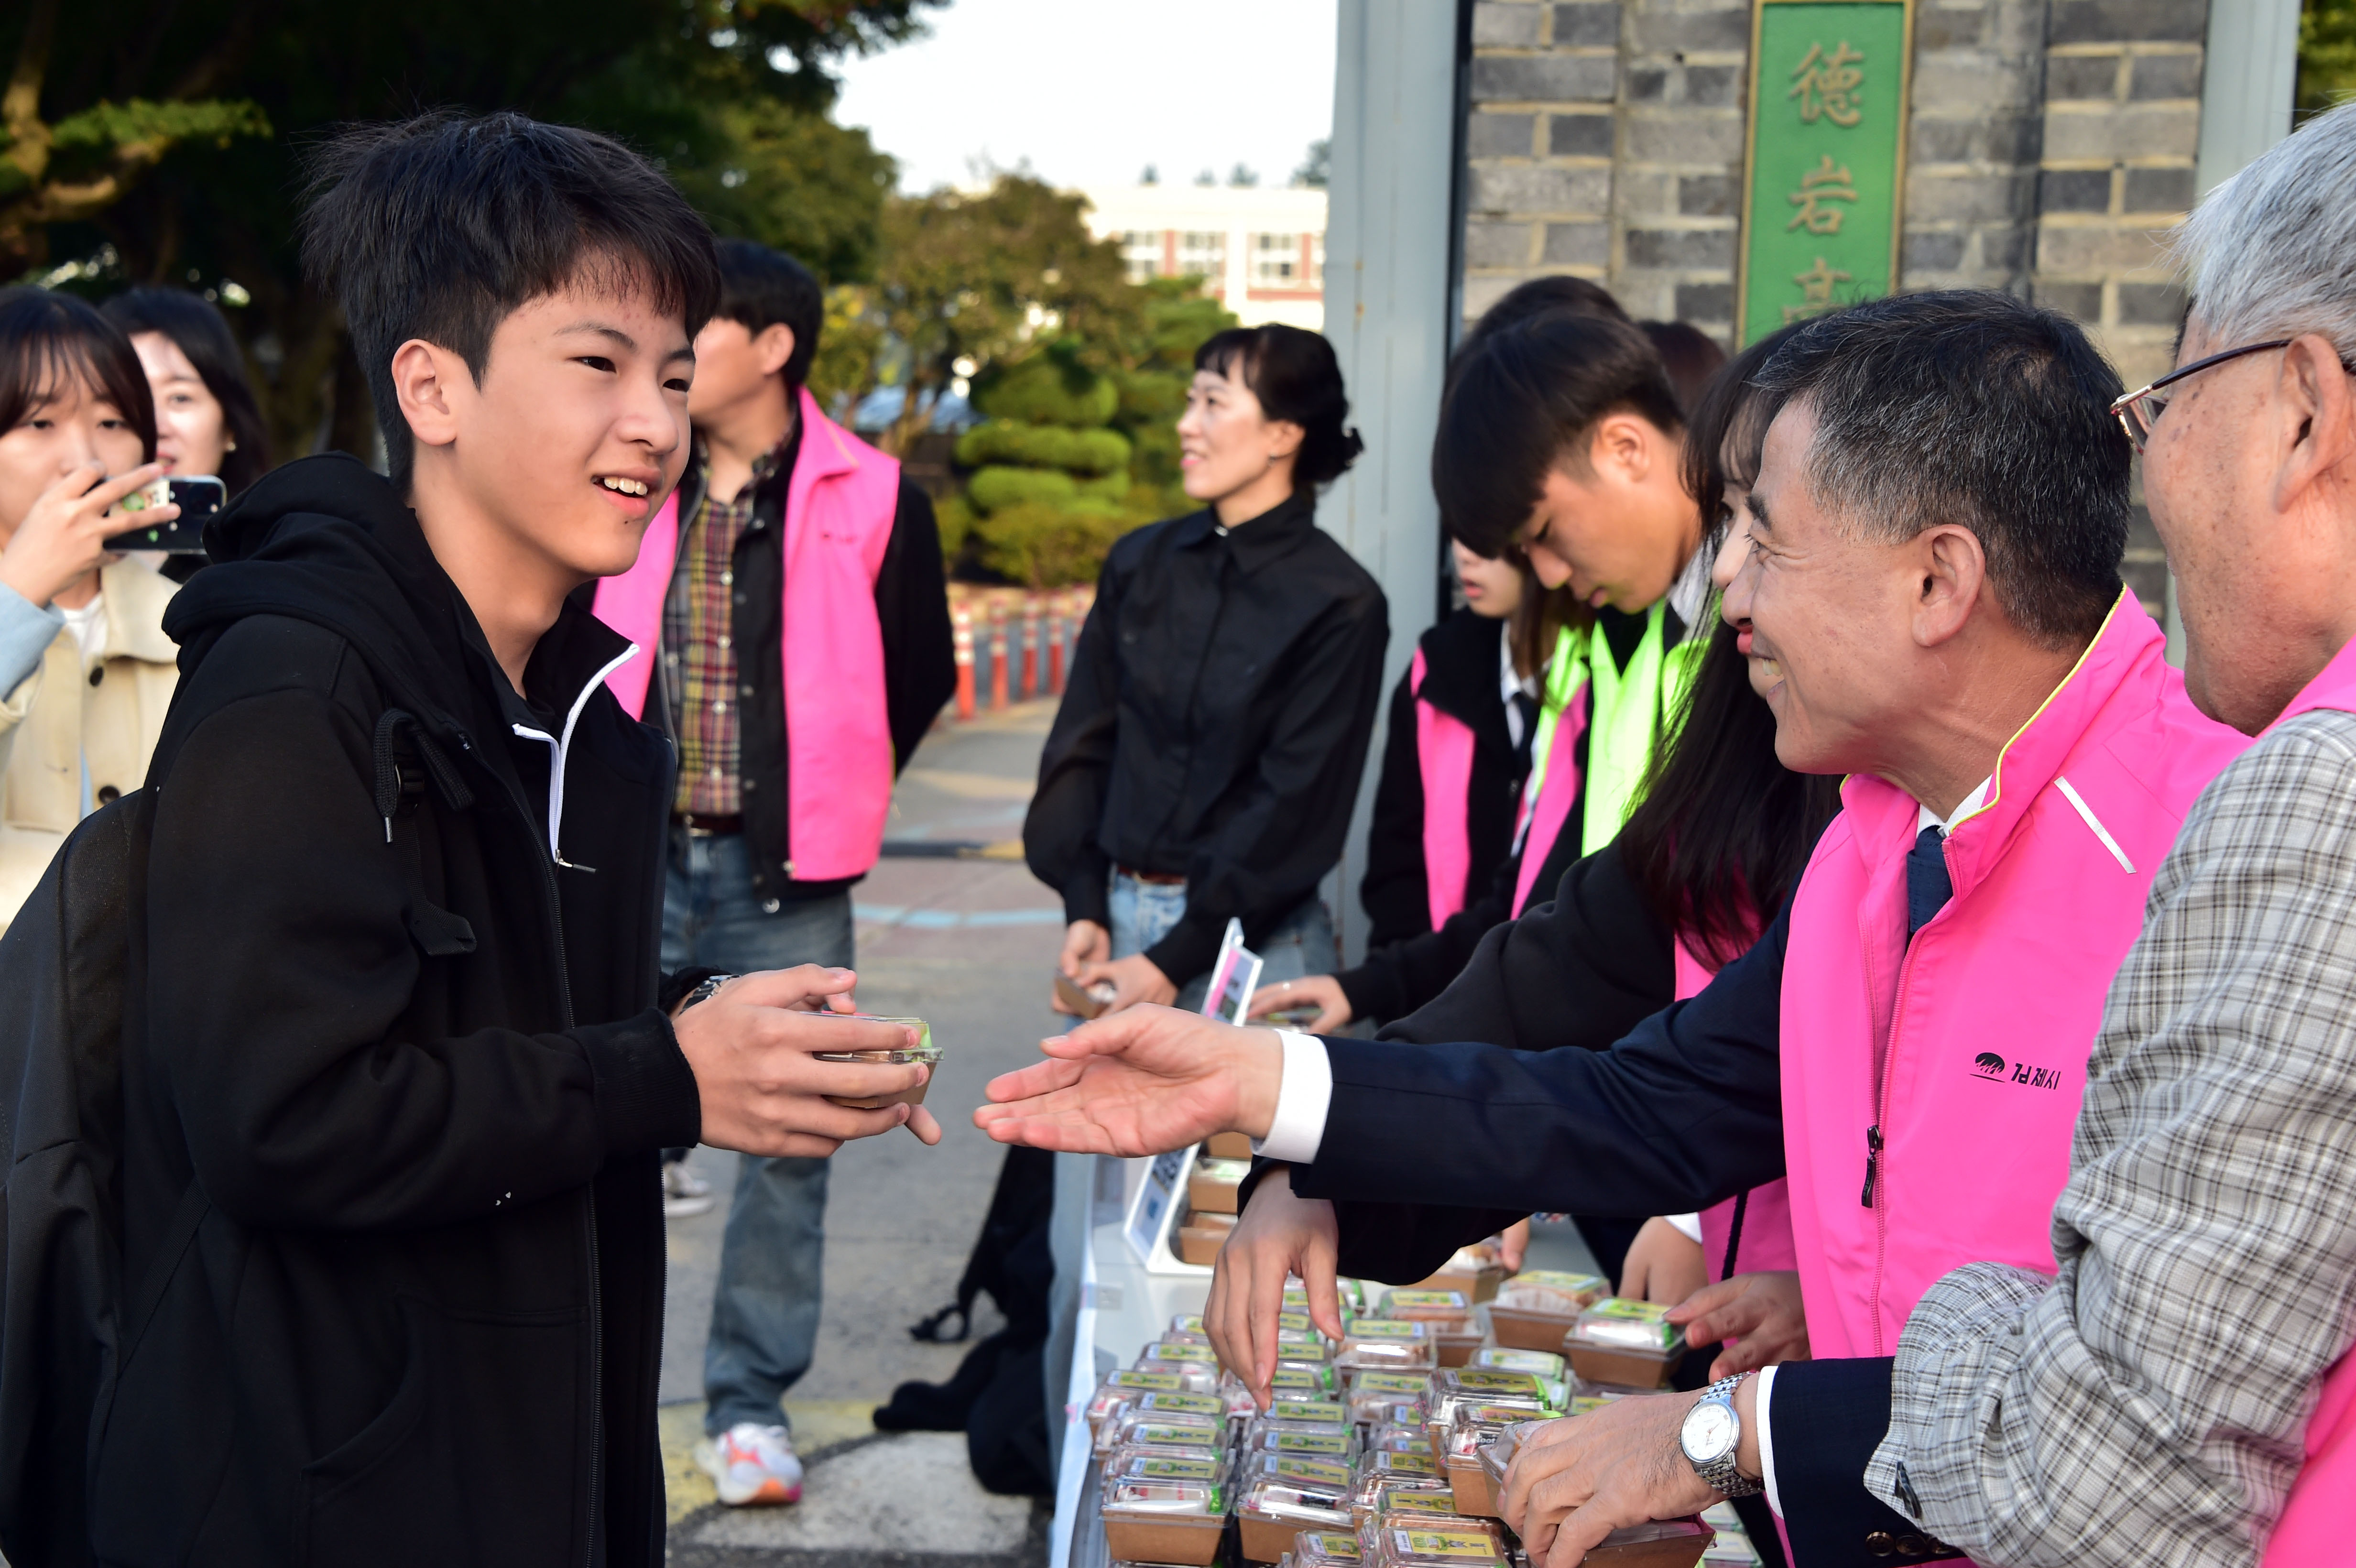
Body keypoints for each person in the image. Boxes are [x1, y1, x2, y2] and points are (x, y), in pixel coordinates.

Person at [971, 289, 2254, 1567]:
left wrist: (1719, 1433)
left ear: (1939, 578)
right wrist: (1282, 1091)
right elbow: (1643, 1100)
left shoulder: (2223, 856)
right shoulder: (1876, 836)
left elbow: (2152, 1413)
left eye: (1769, 536)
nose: (1733, 588)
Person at [86, 111, 940, 1568]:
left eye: (675, 374)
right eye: (597, 364)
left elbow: (516, 1046)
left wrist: (724, 1040)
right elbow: (278, 1123)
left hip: (546, 1454)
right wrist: (663, 1072)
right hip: (318, 1487)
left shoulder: (592, 712)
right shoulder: (298, 684)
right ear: (431, 385)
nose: (655, 423)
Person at [1846, 101, 2356, 1568]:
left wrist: (1949, 1314)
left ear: (2306, 414)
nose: (2153, 466)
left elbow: (2111, 1492)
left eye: (2169, 398)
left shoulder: (2315, 792)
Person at [589, 238, 954, 1506]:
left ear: (773, 346)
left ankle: (748, 1408)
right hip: (621, 856)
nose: (674, 353)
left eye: (701, 330)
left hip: (784, 872)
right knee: (588, 1119)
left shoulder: (874, 491)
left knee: (793, 1141)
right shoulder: (639, 466)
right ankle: (579, 1394)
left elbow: (917, 674)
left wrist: (831, 789)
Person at [1027, 323, 1385, 1017]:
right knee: (1069, 1125)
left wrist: (1175, 957)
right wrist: (1085, 905)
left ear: (1283, 434)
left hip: (1254, 949)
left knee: (1248, 1129)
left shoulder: (1341, 601)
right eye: (1190, 401)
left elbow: (1295, 805)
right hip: (1114, 927)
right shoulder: (1140, 562)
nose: (1187, 425)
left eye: (1214, 403)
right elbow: (1083, 741)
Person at [0, 289, 185, 927]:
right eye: (39, 423)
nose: (84, 461)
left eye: (111, 423)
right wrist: (17, 595)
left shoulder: (192, 625)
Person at [1354, 539, 1574, 953]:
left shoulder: (1598, 675)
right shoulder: (1438, 667)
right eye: (1458, 526)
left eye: (1486, 525)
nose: (1465, 553)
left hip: (1551, 988)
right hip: (1437, 993)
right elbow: (1396, 859)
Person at [102, 286, 272, 496]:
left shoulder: (287, 528)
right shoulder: (51, 527)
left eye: (180, 398)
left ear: (230, 428)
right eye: (128, 399)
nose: (154, 428)